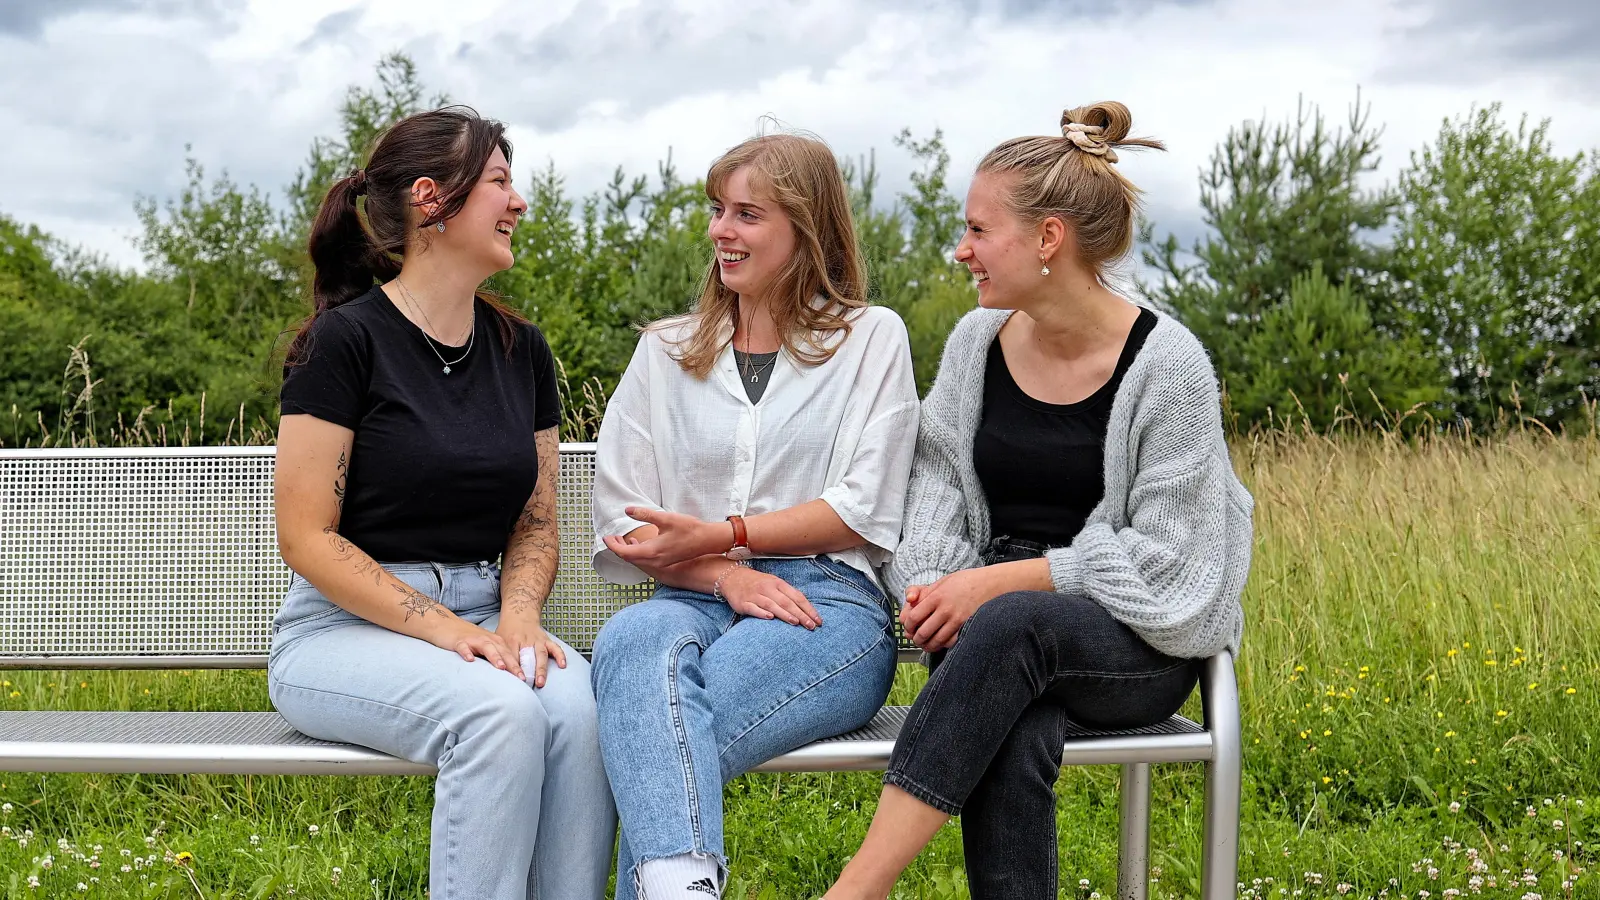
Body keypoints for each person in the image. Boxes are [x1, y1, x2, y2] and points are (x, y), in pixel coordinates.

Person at [823, 101, 1254, 900]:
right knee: (1011, 719)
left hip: (1134, 640)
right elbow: (938, 485)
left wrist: (997, 585)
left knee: (1009, 625)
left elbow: (1170, 564)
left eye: (979, 231)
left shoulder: (1170, 369)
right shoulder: (974, 346)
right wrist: (937, 580)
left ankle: (859, 887)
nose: (962, 251)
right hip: (997, 637)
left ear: (1048, 237)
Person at [268, 106, 615, 900]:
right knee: (501, 715)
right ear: (432, 200)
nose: (519, 201)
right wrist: (457, 632)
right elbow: (307, 538)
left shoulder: (519, 347)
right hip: (341, 630)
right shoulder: (345, 342)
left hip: (486, 620)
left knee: (582, 713)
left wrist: (518, 616)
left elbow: (535, 518)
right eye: (499, 180)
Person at [588, 131, 920, 900]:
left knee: (652, 740)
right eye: (716, 210)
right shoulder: (665, 350)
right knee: (633, 642)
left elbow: (863, 509)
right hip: (686, 592)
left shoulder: (870, 338)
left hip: (824, 605)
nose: (720, 232)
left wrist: (730, 537)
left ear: (805, 228)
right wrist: (720, 574)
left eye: (746, 215)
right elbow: (621, 514)